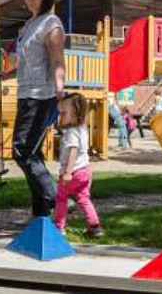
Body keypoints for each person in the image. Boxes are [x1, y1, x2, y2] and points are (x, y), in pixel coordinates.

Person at [0, 0, 65, 220]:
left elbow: (57, 59)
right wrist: (7, 75)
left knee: (22, 150)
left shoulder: (51, 23)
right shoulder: (29, 25)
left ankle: (56, 198)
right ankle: (41, 216)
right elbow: (28, 62)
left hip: (42, 95)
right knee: (33, 153)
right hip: (25, 93)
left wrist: (60, 90)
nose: (29, 0)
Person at [54, 93, 103, 238]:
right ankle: (95, 226)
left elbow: (73, 150)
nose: (60, 116)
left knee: (61, 197)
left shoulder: (71, 132)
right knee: (83, 198)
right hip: (85, 171)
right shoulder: (83, 129)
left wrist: (67, 172)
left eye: (63, 112)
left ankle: (59, 227)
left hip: (73, 172)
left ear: (75, 113)